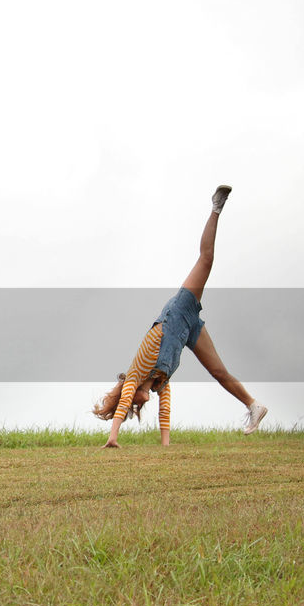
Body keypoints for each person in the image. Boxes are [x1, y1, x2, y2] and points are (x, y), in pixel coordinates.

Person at [95, 184, 267, 447]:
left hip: (176, 314)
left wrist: (112, 438)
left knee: (205, 261)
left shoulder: (135, 375)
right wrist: (166, 447)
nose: (136, 408)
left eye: (131, 406)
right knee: (219, 372)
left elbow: (124, 401)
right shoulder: (159, 382)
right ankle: (254, 406)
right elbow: (166, 412)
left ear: (128, 398)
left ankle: (216, 207)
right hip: (187, 329)